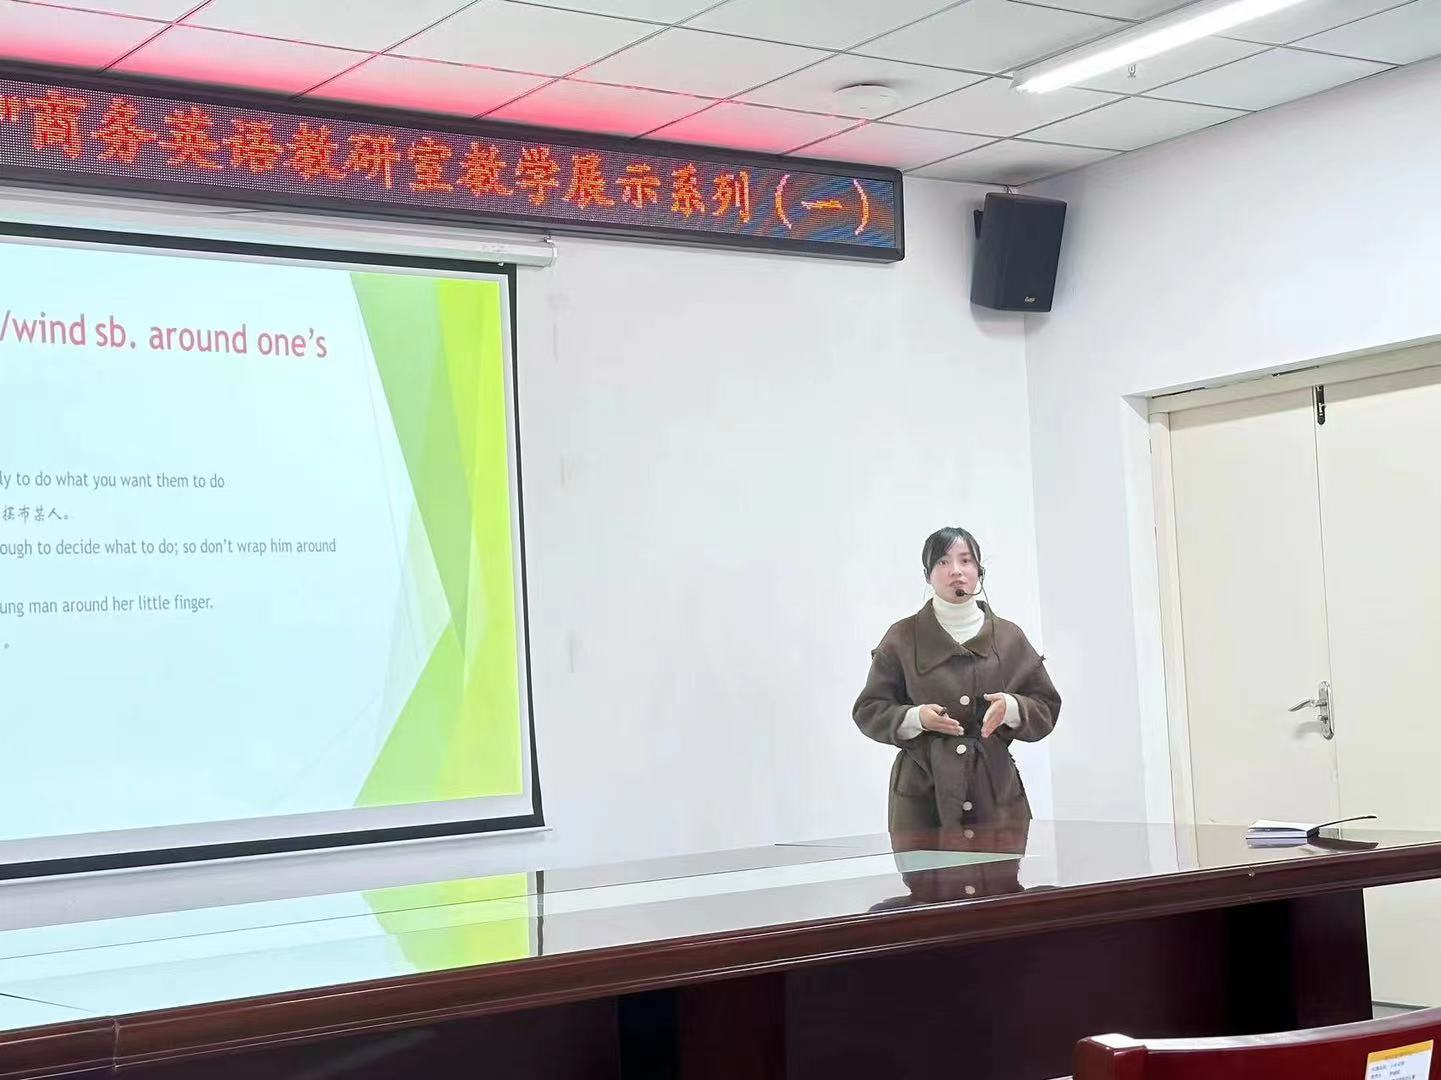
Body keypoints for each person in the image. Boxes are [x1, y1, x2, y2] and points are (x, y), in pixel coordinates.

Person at [853, 526, 1061, 831]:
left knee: (1001, 864)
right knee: (926, 865)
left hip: (994, 792)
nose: (956, 571)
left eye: (966, 560)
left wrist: (1011, 707)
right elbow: (869, 709)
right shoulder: (901, 637)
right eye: (942, 562)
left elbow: (1045, 706)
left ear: (979, 571)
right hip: (923, 795)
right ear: (927, 575)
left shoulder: (1008, 637)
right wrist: (917, 718)